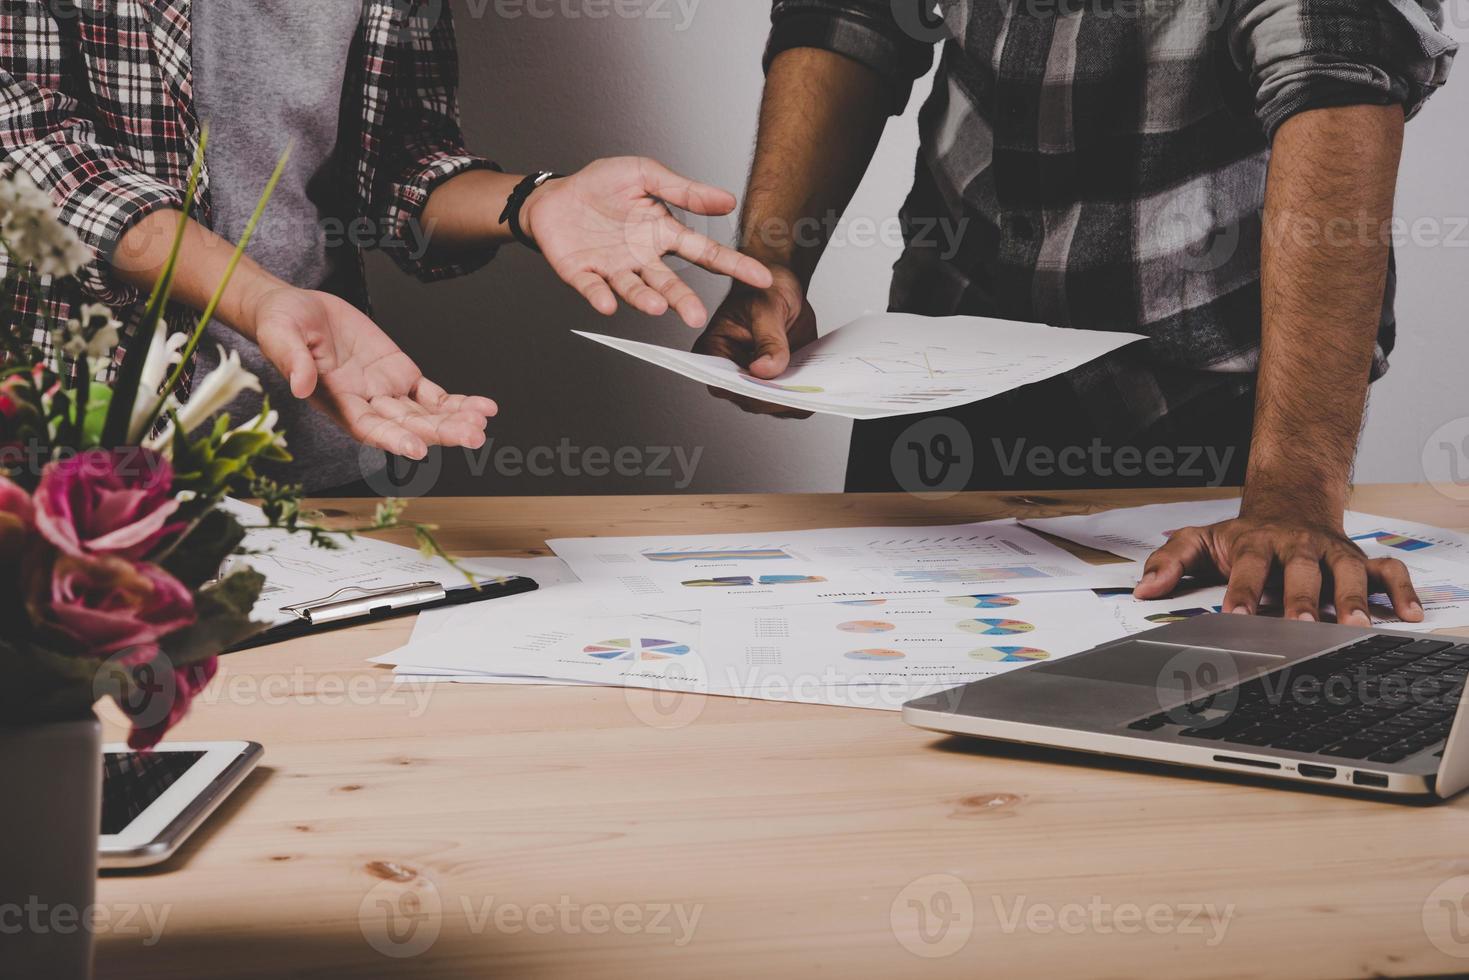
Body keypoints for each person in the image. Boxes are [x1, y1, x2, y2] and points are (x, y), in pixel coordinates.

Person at [694, 0, 1455, 625]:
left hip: (1192, 405)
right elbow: (851, 16)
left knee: (1179, 745)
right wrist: (772, 263)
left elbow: (1336, 68)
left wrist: (1291, 495)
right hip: (941, 362)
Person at [0, 0, 770, 492]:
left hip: (316, 445)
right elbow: (31, 154)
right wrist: (263, 300)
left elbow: (396, 161)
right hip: (76, 473)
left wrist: (535, 201)